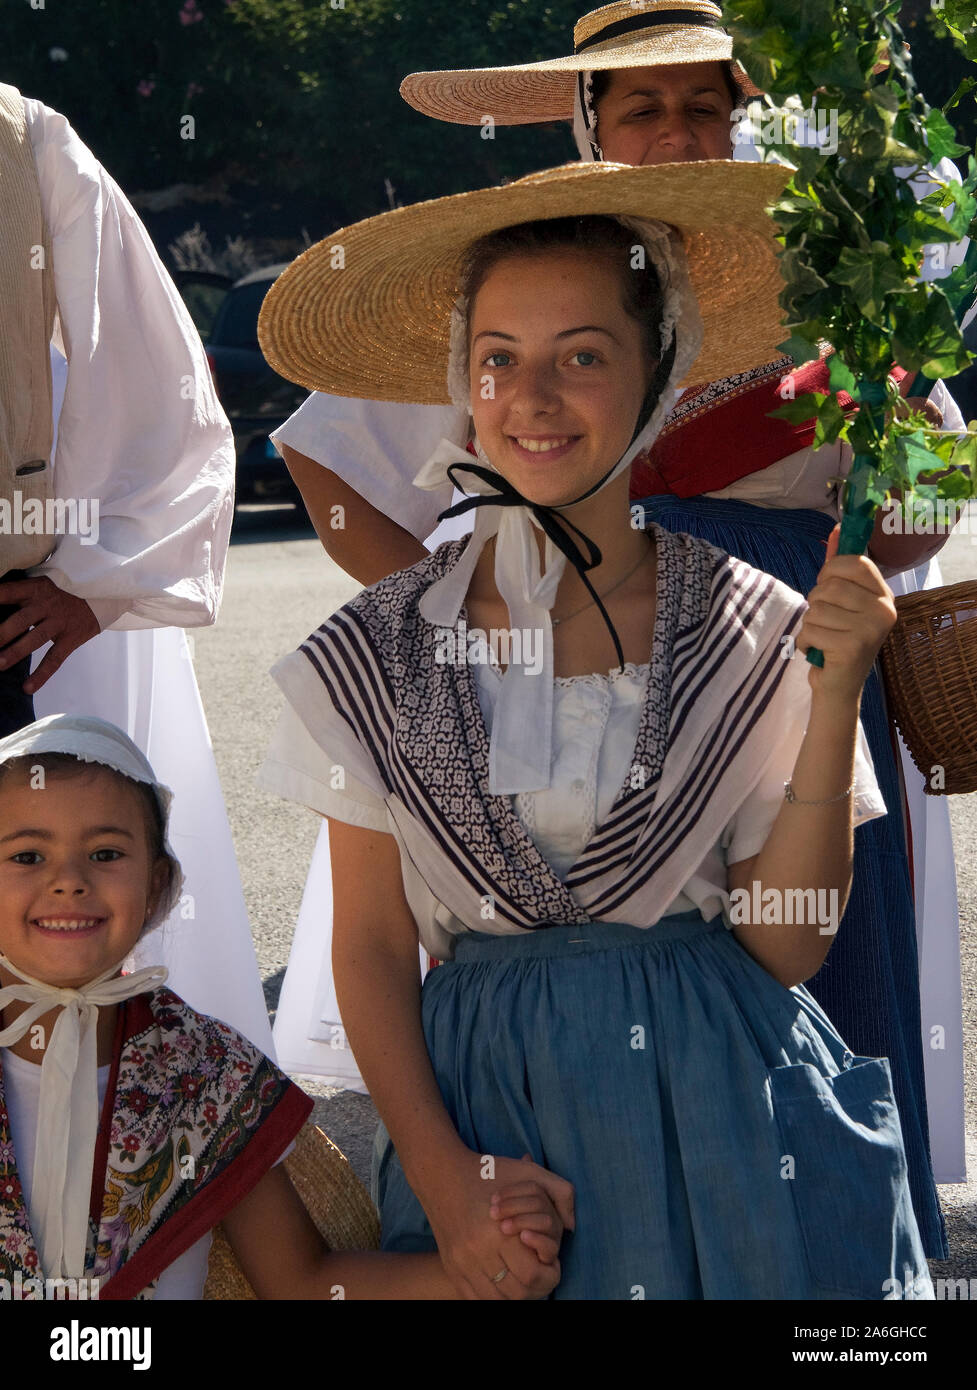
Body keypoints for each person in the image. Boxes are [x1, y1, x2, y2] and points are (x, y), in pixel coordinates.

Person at [264, 0, 965, 1255]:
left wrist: (836, 575)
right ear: (589, 118)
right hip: (534, 666)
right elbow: (322, 458)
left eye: (706, 103)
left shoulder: (819, 271)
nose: (679, 131)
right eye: (642, 105)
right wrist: (452, 634)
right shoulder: (515, 260)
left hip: (782, 674)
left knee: (816, 986)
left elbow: (928, 487)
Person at [0, 715, 566, 1300]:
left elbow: (302, 1283)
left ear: (157, 886)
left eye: (105, 853)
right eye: (26, 858)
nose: (68, 881)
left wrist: (493, 1264)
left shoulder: (205, 1071)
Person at [0, 84, 270, 1052]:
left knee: (36, 962)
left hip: (8, 630)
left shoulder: (25, 148)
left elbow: (162, 384)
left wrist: (96, 580)